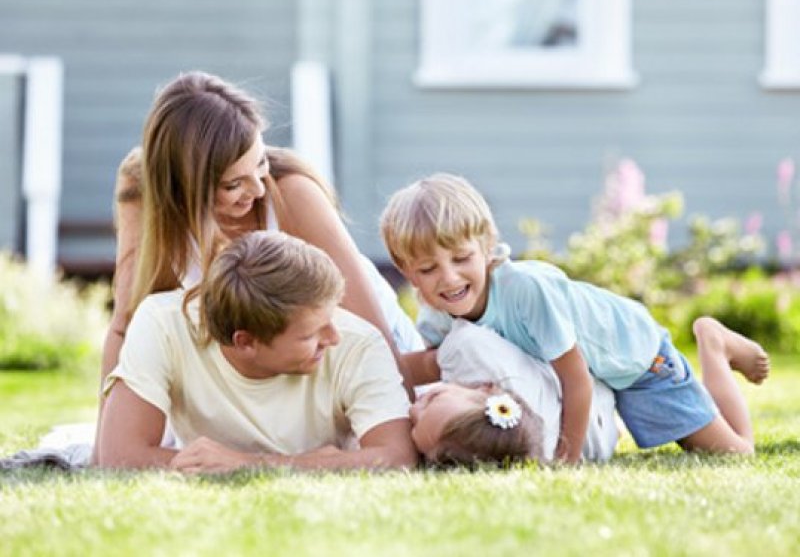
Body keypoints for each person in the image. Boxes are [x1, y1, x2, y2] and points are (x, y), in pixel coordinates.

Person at [381, 173, 770, 464]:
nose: (449, 279)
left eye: (461, 259)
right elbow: (427, 366)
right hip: (600, 370)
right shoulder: (438, 309)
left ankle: (714, 342)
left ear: (485, 247)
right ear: (407, 270)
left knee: (734, 452)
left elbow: (576, 379)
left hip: (636, 358)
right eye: (429, 268)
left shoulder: (524, 290)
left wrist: (566, 456)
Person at [101, 71, 421, 422]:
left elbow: (369, 328)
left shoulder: (292, 192)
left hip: (364, 348)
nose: (256, 190)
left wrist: (398, 417)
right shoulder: (141, 192)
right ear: (184, 186)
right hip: (271, 369)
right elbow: (125, 325)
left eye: (261, 163)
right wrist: (107, 436)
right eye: (233, 184)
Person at [97, 231, 418, 472]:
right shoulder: (164, 322)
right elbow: (120, 455)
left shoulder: (358, 343)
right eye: (310, 334)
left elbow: (396, 456)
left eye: (330, 317)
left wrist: (249, 464)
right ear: (245, 342)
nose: (333, 337)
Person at [409, 319, 619, 466]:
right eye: (431, 397)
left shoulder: (466, 347)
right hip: (595, 413)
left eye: (414, 426)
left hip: (598, 427)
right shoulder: (474, 353)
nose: (412, 409)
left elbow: (408, 369)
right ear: (485, 387)